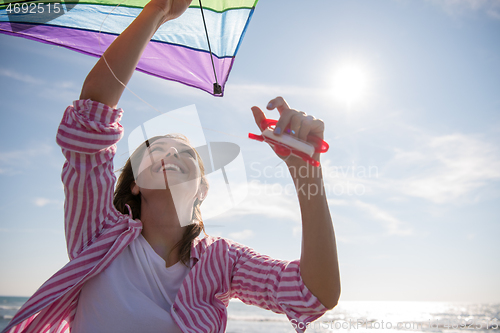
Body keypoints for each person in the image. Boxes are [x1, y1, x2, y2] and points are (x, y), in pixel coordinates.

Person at [2, 0, 340, 332]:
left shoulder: (223, 260)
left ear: (202, 190)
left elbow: (312, 295)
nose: (171, 154)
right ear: (135, 183)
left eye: (187, 154)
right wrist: (157, 10)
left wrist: (307, 172)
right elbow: (92, 114)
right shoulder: (99, 231)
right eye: (156, 149)